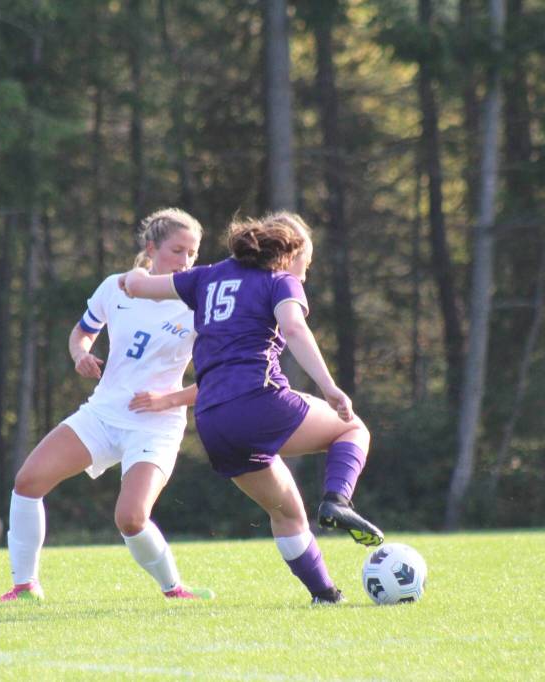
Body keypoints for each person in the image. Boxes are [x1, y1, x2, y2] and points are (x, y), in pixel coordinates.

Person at [119, 211, 383, 605]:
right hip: (259, 401)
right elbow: (293, 328)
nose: (304, 275)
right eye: (306, 263)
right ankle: (337, 501)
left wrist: (132, 277)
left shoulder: (206, 276)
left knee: (287, 513)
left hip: (212, 421)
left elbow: (136, 285)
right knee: (352, 429)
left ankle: (325, 595)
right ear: (290, 251)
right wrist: (329, 387)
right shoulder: (279, 280)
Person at [0, 208, 212, 602]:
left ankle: (174, 588)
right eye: (177, 251)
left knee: (130, 518)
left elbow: (221, 378)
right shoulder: (115, 288)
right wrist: (80, 354)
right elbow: (81, 333)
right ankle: (25, 586)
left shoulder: (198, 302)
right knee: (27, 482)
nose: (186, 261)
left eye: (193, 253)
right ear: (151, 248)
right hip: (103, 414)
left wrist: (169, 400)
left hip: (155, 425)